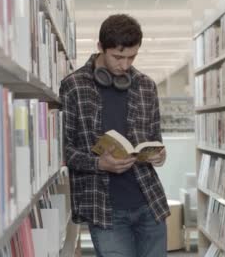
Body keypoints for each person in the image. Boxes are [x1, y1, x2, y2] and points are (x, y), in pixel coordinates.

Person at [59, 14, 170, 257]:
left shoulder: (146, 86)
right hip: (104, 209)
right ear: (100, 47)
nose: (125, 65)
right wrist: (99, 163)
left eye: (132, 57)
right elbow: (64, 150)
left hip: (149, 203)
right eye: (118, 57)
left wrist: (158, 155)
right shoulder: (74, 86)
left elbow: (155, 137)